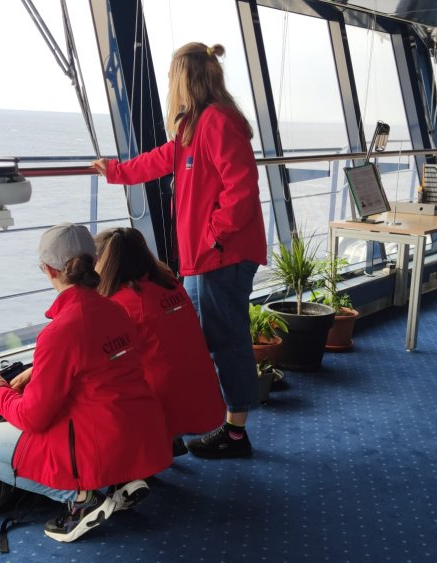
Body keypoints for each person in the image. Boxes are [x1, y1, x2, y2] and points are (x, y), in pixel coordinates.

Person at [92, 43, 267, 459]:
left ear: (186, 78)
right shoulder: (194, 125)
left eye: (171, 76)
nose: (168, 83)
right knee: (182, 338)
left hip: (222, 255)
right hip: (204, 258)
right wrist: (116, 172)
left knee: (228, 341)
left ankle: (236, 434)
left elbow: (241, 190)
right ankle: (183, 421)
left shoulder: (220, 122)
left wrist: (213, 236)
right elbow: (159, 160)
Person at [0, 223, 171, 543]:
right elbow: (96, 367)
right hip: (139, 433)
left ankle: (82, 501)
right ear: (93, 262)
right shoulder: (117, 310)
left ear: (48, 270)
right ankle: (119, 482)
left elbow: (33, 417)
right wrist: (40, 371)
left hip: (100, 441)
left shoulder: (60, 331)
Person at [94, 227, 226, 455]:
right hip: (202, 390)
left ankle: (144, 454)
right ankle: (168, 438)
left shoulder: (121, 303)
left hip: (166, 401)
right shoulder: (170, 284)